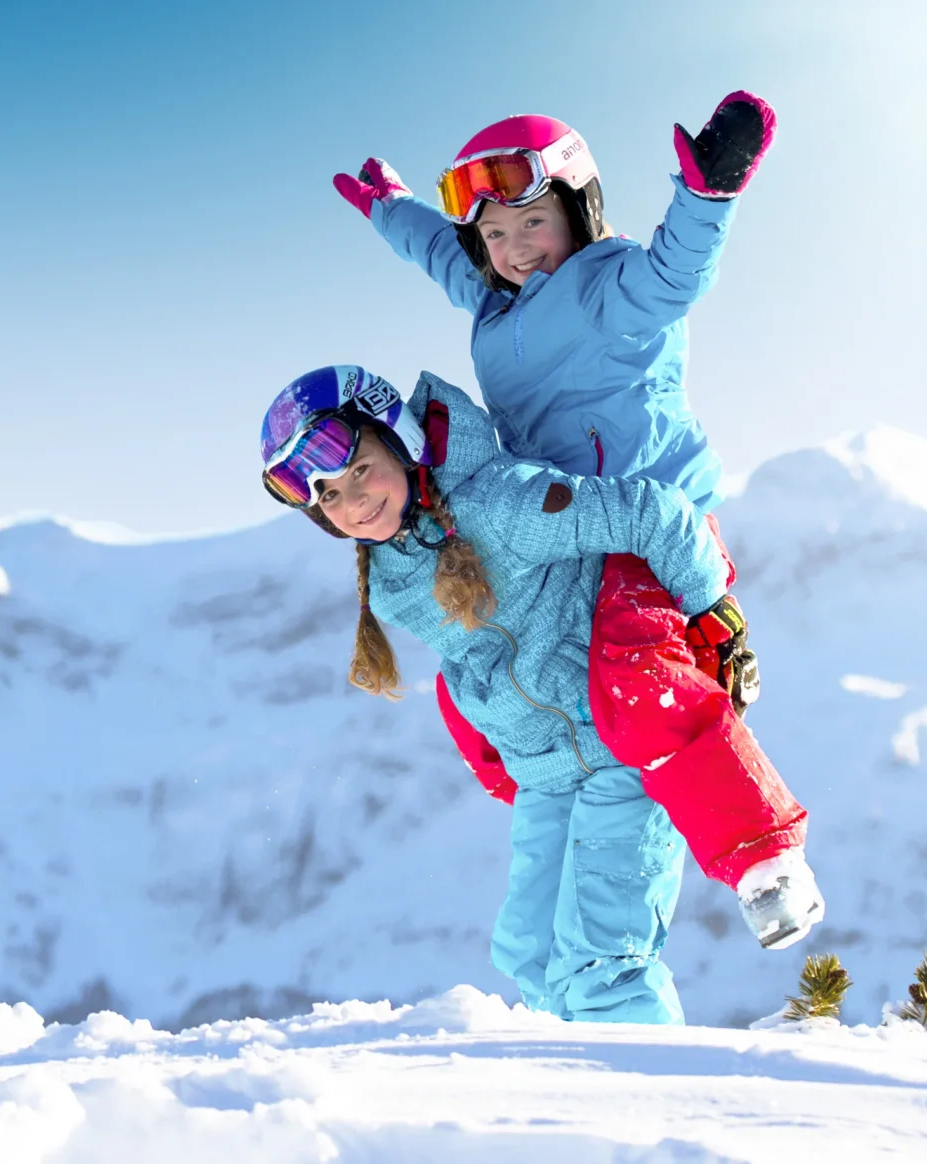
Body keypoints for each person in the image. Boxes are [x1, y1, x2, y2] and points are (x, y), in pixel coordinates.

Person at [330, 95, 822, 947]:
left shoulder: (611, 285)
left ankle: (765, 861)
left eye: (532, 224)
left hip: (642, 516)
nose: (515, 251)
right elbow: (443, 256)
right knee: (478, 664)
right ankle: (549, 789)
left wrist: (709, 195)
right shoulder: (494, 303)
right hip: (562, 532)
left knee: (637, 669)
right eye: (497, 236)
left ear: (577, 209)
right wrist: (390, 210)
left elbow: (680, 273)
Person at [258, 364, 782, 1022]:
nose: (355, 501)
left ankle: (650, 1106)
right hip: (546, 771)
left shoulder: (502, 506)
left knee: (603, 963)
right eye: (330, 497)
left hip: (623, 750)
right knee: (530, 954)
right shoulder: (392, 576)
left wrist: (717, 620)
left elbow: (654, 514)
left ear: (400, 438)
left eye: (361, 468)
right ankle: (583, 1091)